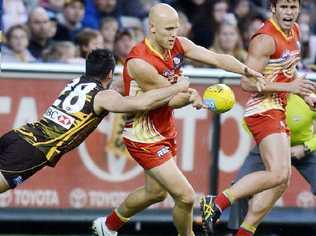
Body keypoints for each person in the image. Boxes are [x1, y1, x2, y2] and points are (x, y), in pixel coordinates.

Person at [92, 3, 264, 236]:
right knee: (186, 196)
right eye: (168, 29)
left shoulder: (178, 44)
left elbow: (215, 57)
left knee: (155, 193)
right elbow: (167, 99)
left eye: (176, 28)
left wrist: (246, 70)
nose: (174, 34)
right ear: (152, 28)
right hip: (143, 135)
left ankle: (107, 226)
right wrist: (188, 96)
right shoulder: (139, 62)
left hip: (164, 129)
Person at [0, 48, 191, 193]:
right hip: (35, 149)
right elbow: (142, 104)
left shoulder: (76, 82)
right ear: (110, 73)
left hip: (19, 135)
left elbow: (117, 88)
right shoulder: (102, 97)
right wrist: (177, 87)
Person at [200, 0, 316, 235]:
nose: (289, 12)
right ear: (273, 8)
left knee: (282, 179)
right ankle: (218, 203)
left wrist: (304, 95)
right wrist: (290, 88)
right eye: (283, 6)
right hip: (262, 108)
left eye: (293, 7)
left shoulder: (294, 31)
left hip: (277, 106)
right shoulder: (264, 39)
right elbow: (247, 81)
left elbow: (287, 70)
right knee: (277, 173)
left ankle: (245, 231)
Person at [227, 94, 316, 233]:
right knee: (239, 187)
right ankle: (236, 231)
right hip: (271, 147)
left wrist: (307, 147)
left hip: (302, 149)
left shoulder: (307, 98)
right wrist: (268, 142)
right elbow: (247, 123)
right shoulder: (265, 99)